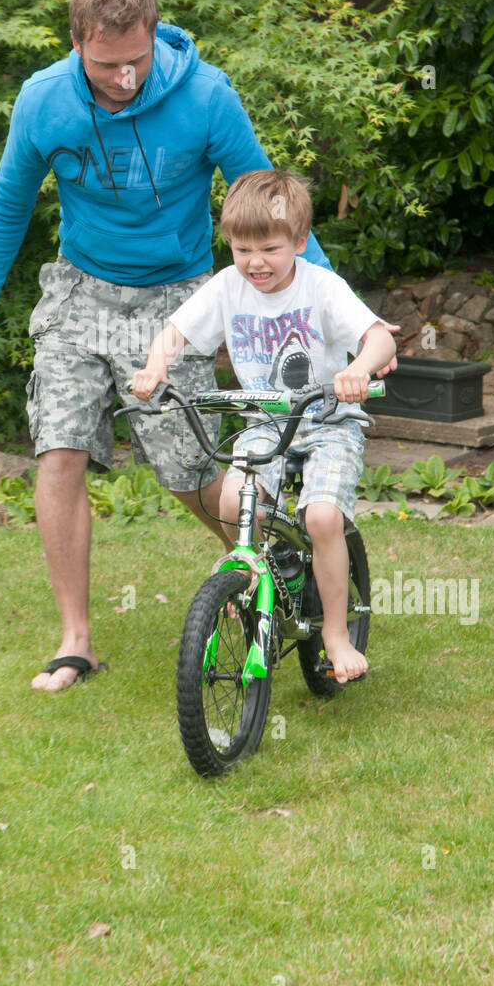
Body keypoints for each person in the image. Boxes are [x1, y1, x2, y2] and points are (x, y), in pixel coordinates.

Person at [0, 0, 395, 691]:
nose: (123, 78)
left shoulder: (206, 96)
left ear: (154, 35)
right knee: (57, 449)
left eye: (136, 58)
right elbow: (6, 204)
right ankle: (75, 642)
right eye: (105, 64)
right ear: (74, 43)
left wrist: (340, 315)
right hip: (78, 289)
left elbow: (274, 212)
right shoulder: (44, 101)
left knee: (192, 477)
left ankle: (272, 569)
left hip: (176, 295)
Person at [132, 168, 396, 684]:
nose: (255, 263)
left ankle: (336, 634)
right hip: (267, 424)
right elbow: (176, 331)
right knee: (232, 500)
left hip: (328, 422)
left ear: (300, 241)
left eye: (271, 249)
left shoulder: (322, 288)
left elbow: (380, 339)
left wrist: (356, 370)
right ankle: (259, 568)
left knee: (321, 518)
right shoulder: (228, 288)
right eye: (242, 249)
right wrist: (155, 367)